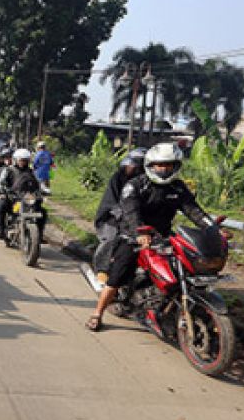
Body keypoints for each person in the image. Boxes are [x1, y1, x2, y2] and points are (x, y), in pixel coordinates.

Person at [85, 142, 215, 332]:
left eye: (168, 165)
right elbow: (131, 211)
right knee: (118, 275)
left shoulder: (178, 188)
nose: (163, 169)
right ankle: (97, 313)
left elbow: (193, 211)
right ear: (150, 165)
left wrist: (212, 228)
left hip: (162, 236)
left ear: (175, 166)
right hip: (133, 236)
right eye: (159, 165)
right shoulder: (135, 185)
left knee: (186, 265)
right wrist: (140, 232)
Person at [92, 147, 147, 276]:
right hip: (112, 216)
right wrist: (122, 214)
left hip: (138, 218)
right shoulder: (118, 178)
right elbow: (111, 201)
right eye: (129, 165)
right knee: (111, 238)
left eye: (134, 166)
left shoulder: (148, 183)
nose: (129, 168)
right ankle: (102, 270)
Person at [0, 148, 47, 241]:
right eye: (21, 160)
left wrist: (44, 190)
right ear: (16, 160)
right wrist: (1, 190)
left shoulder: (31, 172)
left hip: (28, 197)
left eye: (25, 160)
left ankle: (39, 235)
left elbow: (39, 182)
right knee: (1, 204)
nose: (23, 162)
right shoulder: (8, 170)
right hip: (12, 197)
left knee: (42, 212)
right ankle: (0, 230)